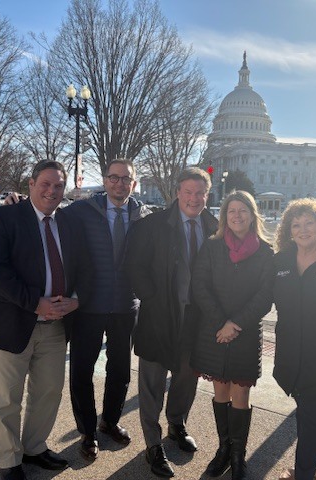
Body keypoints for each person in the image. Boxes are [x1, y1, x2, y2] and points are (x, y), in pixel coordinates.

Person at [0, 160, 91, 480]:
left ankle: (34, 447)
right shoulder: (3, 218)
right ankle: (10, 461)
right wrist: (35, 303)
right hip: (9, 325)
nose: (51, 191)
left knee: (48, 392)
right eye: (45, 184)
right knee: (6, 399)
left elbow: (83, 267)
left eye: (57, 186)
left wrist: (77, 300)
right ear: (30, 184)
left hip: (55, 326)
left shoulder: (68, 223)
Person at [125, 167, 218, 478]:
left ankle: (176, 424)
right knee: (151, 384)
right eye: (188, 192)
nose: (193, 198)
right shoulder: (152, 225)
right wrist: (152, 297)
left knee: (185, 379)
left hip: (195, 320)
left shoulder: (213, 226)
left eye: (200, 193)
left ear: (207, 195)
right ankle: (153, 444)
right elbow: (134, 266)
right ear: (178, 192)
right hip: (158, 316)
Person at [63, 159, 151, 461]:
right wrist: (16, 204)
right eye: (114, 178)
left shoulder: (143, 216)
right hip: (88, 305)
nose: (120, 184)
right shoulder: (81, 212)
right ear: (104, 180)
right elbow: (45, 215)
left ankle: (109, 421)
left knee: (120, 371)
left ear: (134, 184)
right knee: (82, 371)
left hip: (126, 305)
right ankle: (87, 431)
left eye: (126, 179)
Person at [190, 190, 274, 480]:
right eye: (231, 211)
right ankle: (223, 449)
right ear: (224, 216)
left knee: (240, 394)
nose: (237, 216)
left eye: (243, 211)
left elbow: (265, 296)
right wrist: (221, 322)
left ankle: (238, 455)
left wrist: (235, 324)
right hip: (213, 332)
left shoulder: (265, 251)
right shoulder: (212, 247)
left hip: (245, 334)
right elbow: (200, 286)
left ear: (252, 215)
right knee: (220, 391)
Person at [272, 199, 316, 480]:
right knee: (305, 414)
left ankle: (304, 474)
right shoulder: (281, 262)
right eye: (296, 225)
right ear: (289, 231)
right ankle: (305, 471)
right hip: (290, 354)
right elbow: (260, 296)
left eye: (309, 223)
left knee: (312, 417)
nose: (303, 230)